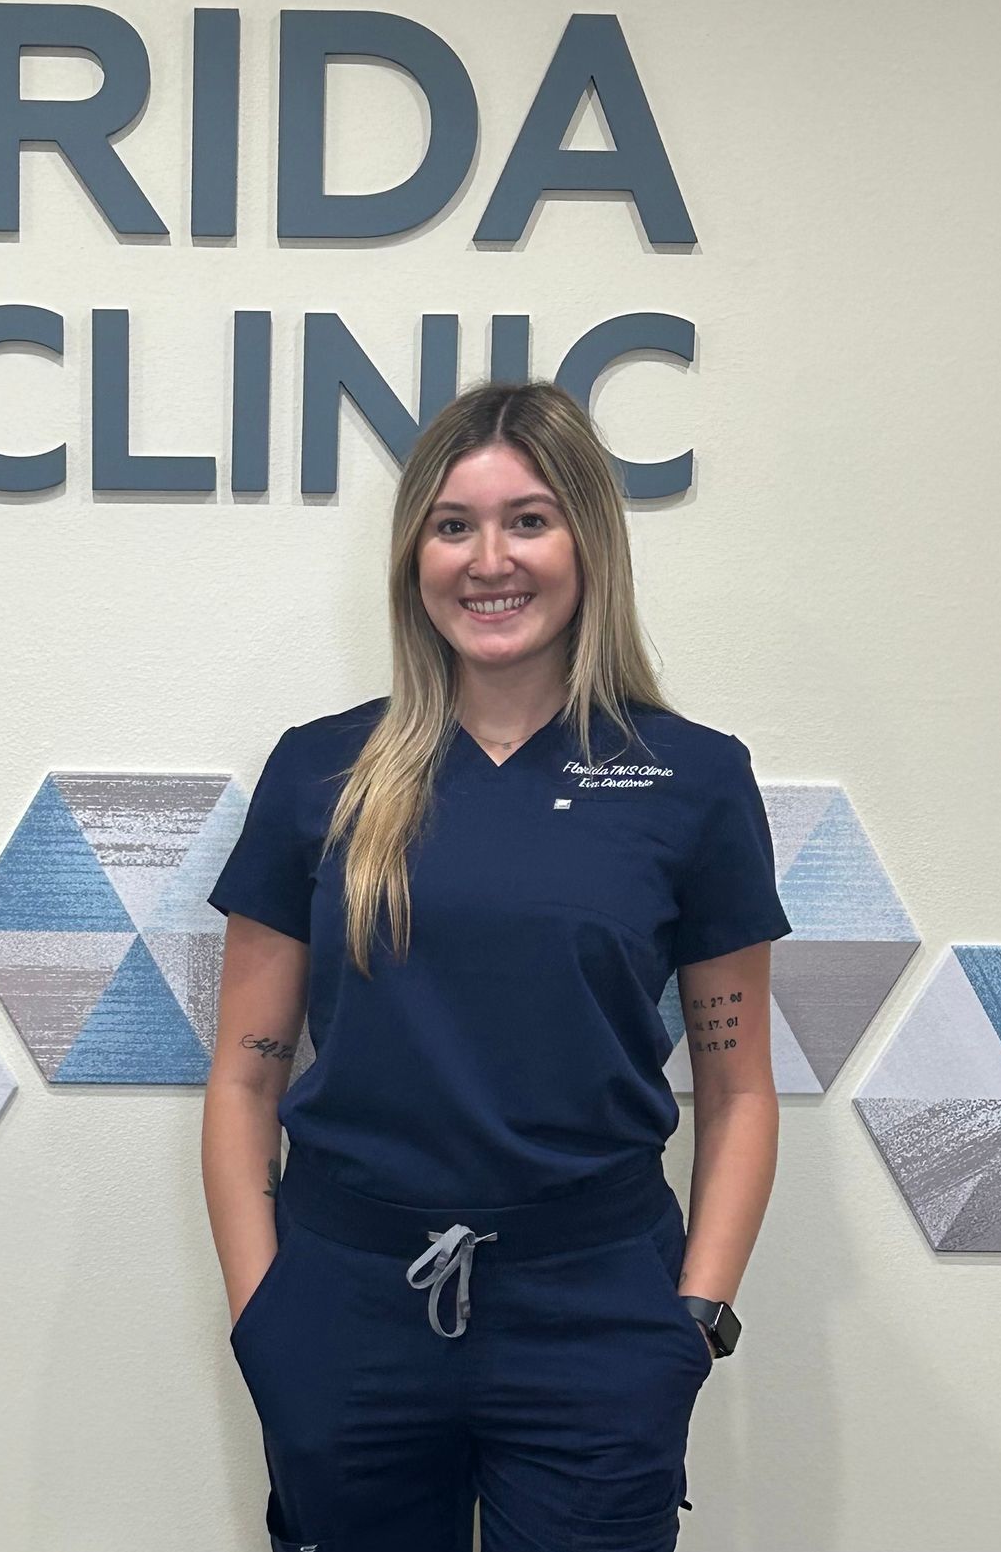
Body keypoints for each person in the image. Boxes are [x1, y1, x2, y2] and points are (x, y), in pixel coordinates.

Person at [199, 380, 792, 1552]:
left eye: (528, 520)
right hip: (347, 1307)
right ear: (413, 555)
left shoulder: (692, 779)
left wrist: (696, 1314)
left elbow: (739, 1086)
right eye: (453, 525)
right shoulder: (321, 771)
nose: (489, 560)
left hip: (596, 1309)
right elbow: (244, 1073)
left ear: (589, 542)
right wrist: (267, 1313)